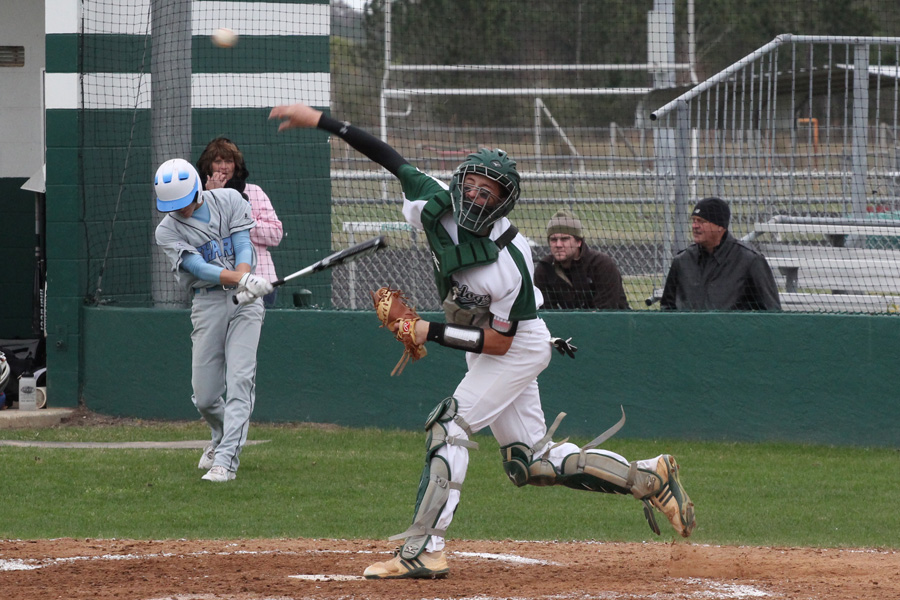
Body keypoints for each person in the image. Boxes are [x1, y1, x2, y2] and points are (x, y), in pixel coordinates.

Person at [269, 103, 696, 579]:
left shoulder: (511, 259)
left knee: (448, 426)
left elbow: (497, 344)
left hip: (517, 345)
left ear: (502, 202)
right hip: (491, 343)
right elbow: (387, 156)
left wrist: (426, 330)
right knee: (529, 463)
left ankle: (424, 548)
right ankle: (648, 476)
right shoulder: (433, 204)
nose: (475, 196)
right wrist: (322, 121)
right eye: (470, 185)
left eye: (487, 191)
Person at [153, 158, 274, 482]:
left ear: (197, 190)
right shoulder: (166, 230)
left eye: (184, 203)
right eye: (173, 206)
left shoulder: (231, 200)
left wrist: (246, 280)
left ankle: (226, 461)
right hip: (207, 302)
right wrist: (241, 280)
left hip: (246, 305)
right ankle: (221, 438)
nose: (181, 211)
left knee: (239, 381)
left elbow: (243, 244)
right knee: (204, 396)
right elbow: (197, 267)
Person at [197, 137, 284, 308]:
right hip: (218, 288)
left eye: (229, 161)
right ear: (209, 166)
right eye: (218, 161)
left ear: (236, 165)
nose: (224, 166)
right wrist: (216, 198)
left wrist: (243, 220)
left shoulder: (254, 192)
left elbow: (275, 234)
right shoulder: (200, 197)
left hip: (260, 282)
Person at [660, 197, 781, 311]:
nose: (695, 226)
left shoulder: (750, 261)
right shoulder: (682, 261)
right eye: (693, 220)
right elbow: (667, 308)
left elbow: (771, 312)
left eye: (701, 221)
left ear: (720, 227)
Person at [534, 209, 630, 310]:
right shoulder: (545, 269)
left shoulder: (601, 265)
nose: (558, 245)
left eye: (565, 239)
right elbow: (547, 313)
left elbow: (606, 311)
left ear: (579, 242)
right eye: (553, 239)